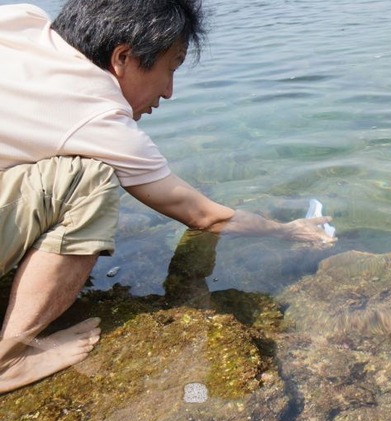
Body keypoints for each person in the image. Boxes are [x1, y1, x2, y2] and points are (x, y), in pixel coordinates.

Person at [0, 0, 335, 394]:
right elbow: (204, 216)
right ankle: (8, 359)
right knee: (88, 178)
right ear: (123, 57)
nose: (170, 91)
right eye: (170, 69)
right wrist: (288, 231)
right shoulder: (97, 116)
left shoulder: (20, 20)